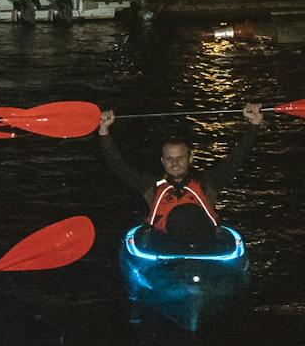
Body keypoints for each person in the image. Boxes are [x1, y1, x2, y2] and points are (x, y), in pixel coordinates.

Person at [98, 104, 264, 253]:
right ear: (162, 161)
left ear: (190, 159)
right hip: (165, 246)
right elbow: (118, 165)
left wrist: (254, 125)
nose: (175, 163)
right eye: (169, 158)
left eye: (180, 158)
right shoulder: (151, 186)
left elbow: (236, 159)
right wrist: (104, 131)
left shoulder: (208, 184)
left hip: (204, 245)